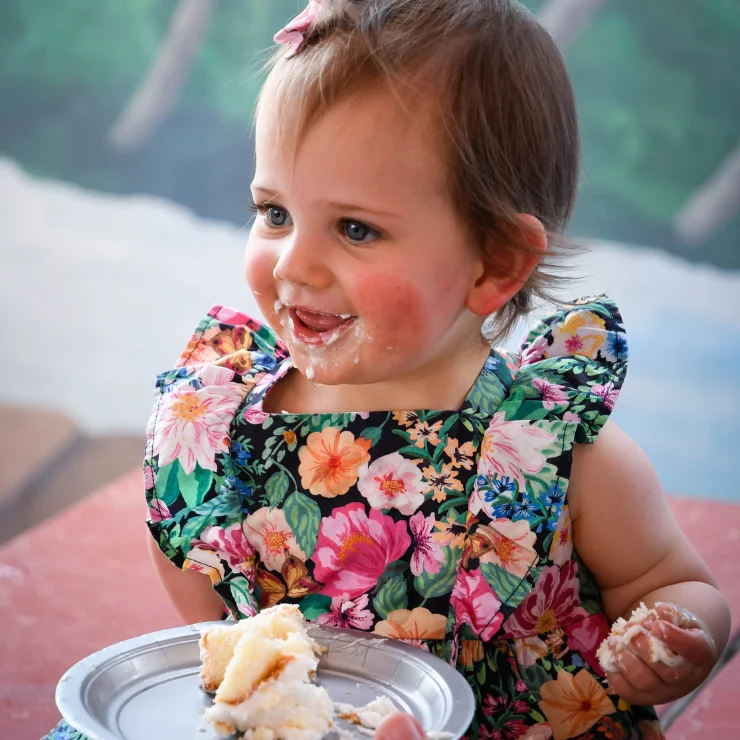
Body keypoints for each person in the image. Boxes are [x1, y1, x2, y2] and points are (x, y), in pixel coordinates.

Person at [45, 1, 730, 739]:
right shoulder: (224, 428)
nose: (295, 263)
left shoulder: (553, 453)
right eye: (274, 213)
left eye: (355, 228)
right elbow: (200, 591)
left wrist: (679, 632)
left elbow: (673, 581)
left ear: (494, 263)